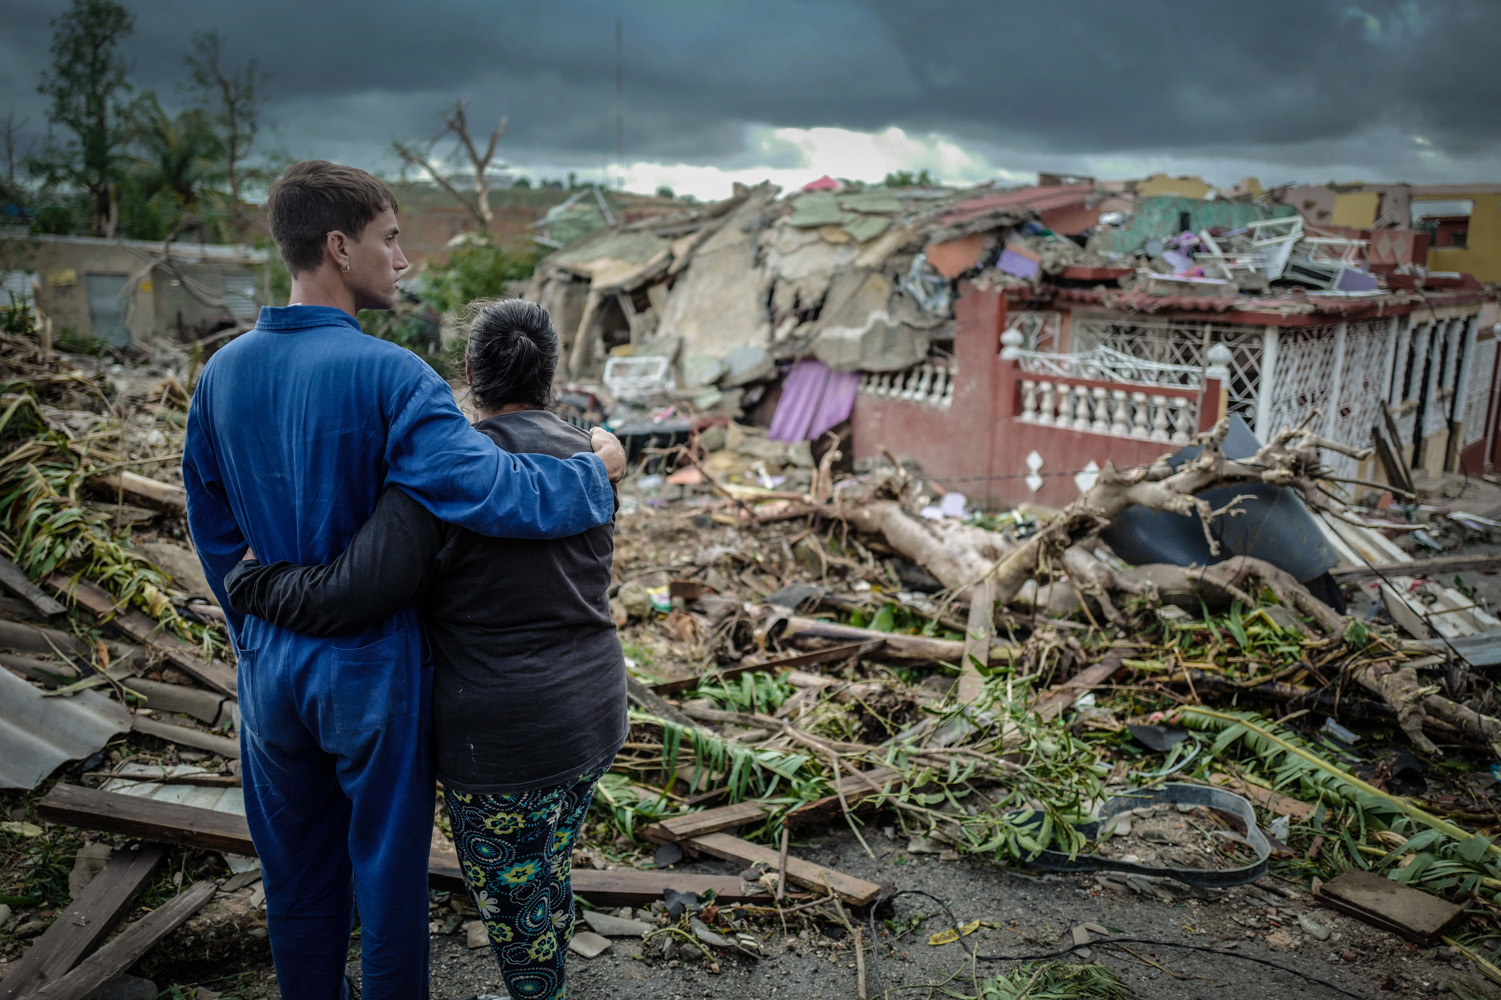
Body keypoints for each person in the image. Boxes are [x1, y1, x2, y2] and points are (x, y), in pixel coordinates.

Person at [183, 161, 626, 1000]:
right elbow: (492, 491)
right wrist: (597, 472)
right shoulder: (394, 377)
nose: (402, 259)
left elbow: (212, 528)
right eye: (391, 239)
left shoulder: (221, 373)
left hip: (270, 667)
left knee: (297, 881)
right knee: (387, 885)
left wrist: (253, 633)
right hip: (368, 671)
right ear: (339, 246)